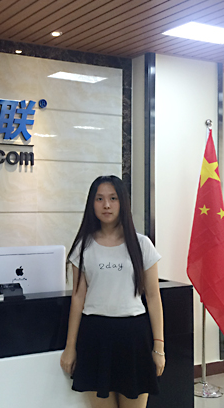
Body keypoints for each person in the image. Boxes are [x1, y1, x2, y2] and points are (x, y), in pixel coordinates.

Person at [60, 175, 165, 408]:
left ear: (123, 202)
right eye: (99, 199)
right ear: (92, 203)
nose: (106, 205)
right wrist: (70, 347)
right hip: (95, 336)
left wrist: (159, 347)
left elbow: (153, 297)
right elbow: (78, 298)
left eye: (113, 198)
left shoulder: (142, 244)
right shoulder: (83, 246)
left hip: (134, 336)